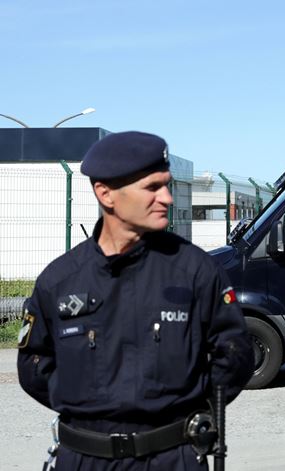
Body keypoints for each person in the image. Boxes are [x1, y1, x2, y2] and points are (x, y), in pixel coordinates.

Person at [17, 131, 254, 470]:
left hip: (173, 457)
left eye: (166, 185)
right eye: (152, 188)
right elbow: (33, 365)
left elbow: (234, 354)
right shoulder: (60, 280)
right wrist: (86, 403)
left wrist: (181, 406)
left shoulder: (195, 270)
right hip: (84, 459)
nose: (167, 198)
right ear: (106, 194)